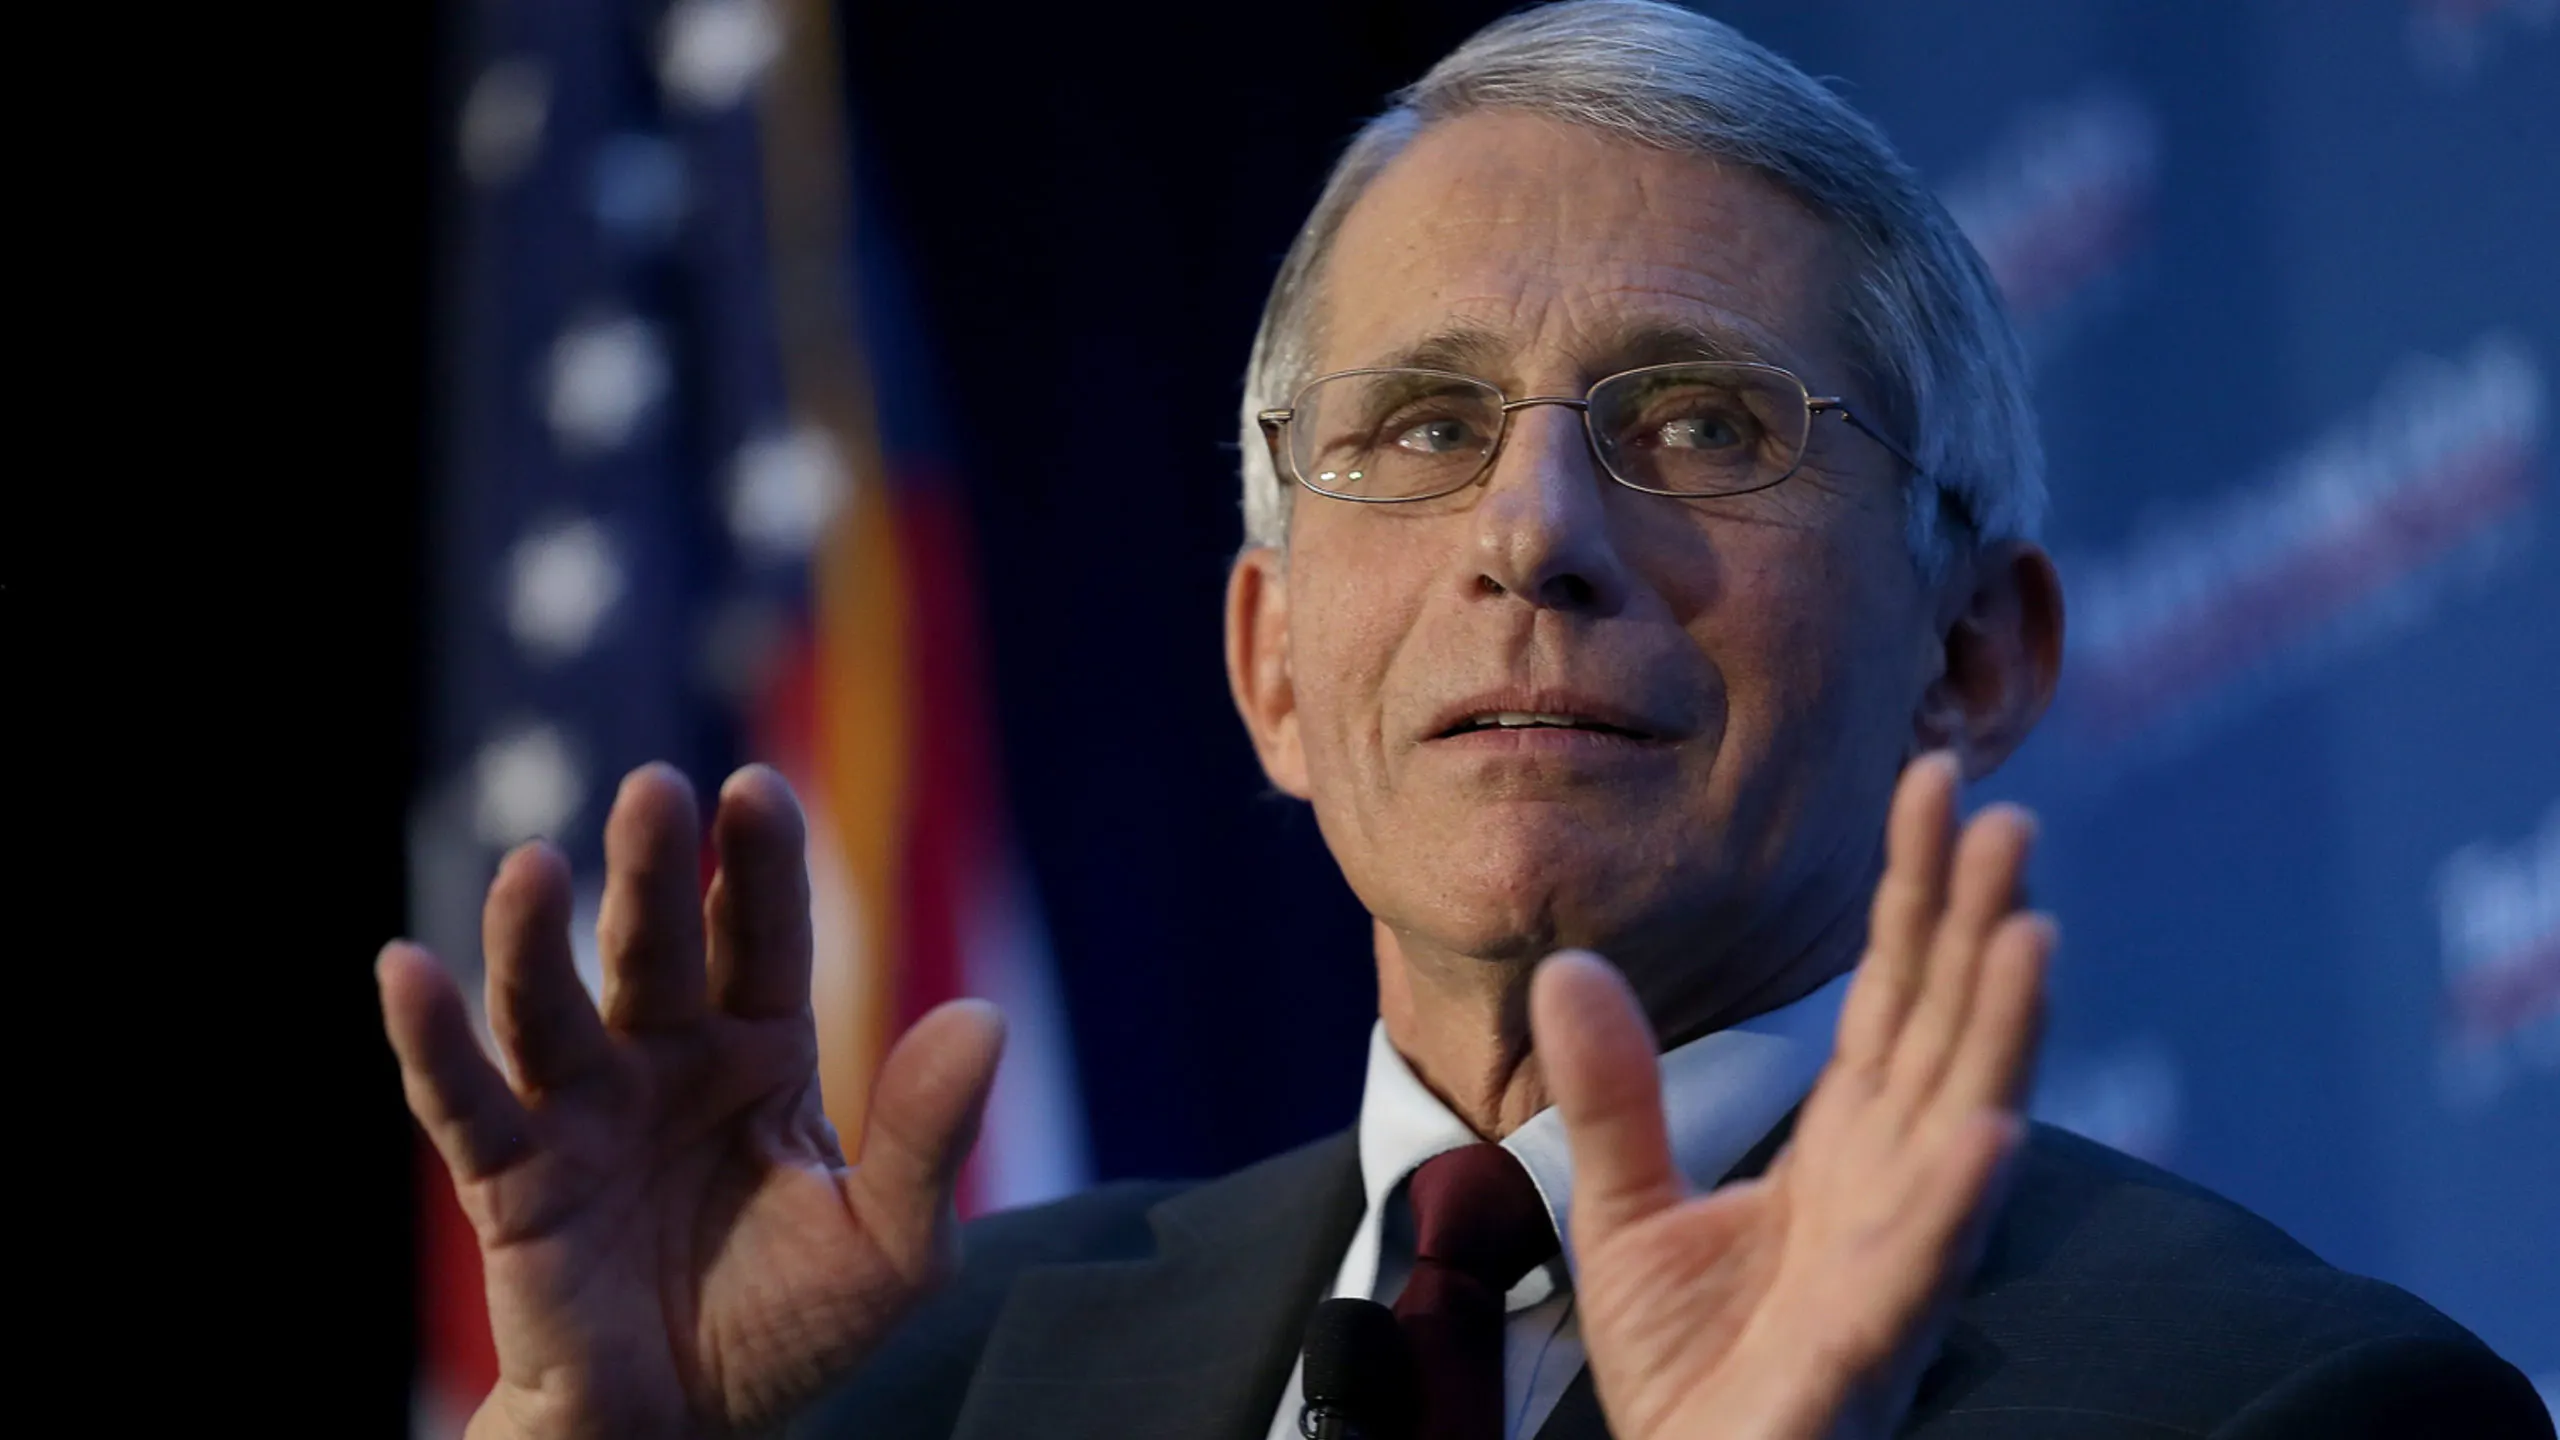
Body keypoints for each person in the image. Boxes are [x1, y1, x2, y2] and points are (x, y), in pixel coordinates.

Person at [376, 4, 2553, 1438]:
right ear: (1270, 667)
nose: (1531, 533)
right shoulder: (920, 1386)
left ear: (1971, 655)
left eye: (1698, 423)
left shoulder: (2283, 1411)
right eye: (1417, 429)